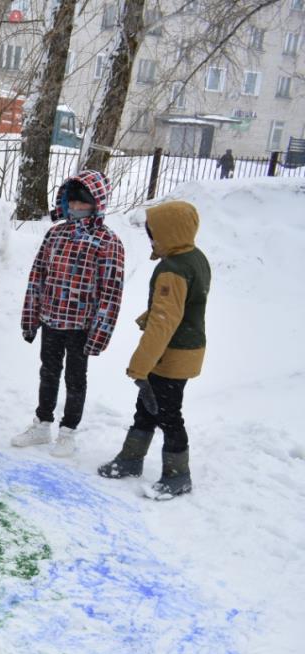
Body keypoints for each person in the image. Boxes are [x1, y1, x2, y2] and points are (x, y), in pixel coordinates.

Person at [99, 200, 210, 500]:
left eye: (155, 234)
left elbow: (164, 323)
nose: (151, 240)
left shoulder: (172, 269)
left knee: (167, 413)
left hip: (171, 353)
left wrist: (139, 366)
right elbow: (185, 305)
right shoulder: (194, 257)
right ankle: (131, 459)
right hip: (183, 347)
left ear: (170, 233)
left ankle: (178, 475)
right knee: (147, 408)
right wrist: (150, 315)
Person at [12, 170, 125, 457]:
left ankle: (68, 431)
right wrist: (31, 316)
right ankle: (42, 423)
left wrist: (99, 333)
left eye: (82, 203)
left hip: (81, 326)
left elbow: (110, 293)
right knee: (48, 372)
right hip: (52, 319)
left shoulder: (107, 242)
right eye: (71, 202)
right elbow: (37, 276)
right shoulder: (55, 234)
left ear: (96, 203)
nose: (75, 209)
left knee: (75, 379)